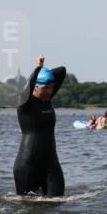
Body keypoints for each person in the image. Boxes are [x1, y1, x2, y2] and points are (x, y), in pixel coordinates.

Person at [14, 55, 67, 196]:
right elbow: (28, 86)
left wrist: (45, 72)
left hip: (51, 164)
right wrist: (38, 68)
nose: (49, 92)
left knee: (58, 202)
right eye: (45, 88)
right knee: (28, 210)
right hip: (27, 165)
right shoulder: (24, 104)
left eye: (51, 88)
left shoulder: (47, 99)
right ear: (35, 88)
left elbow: (62, 71)